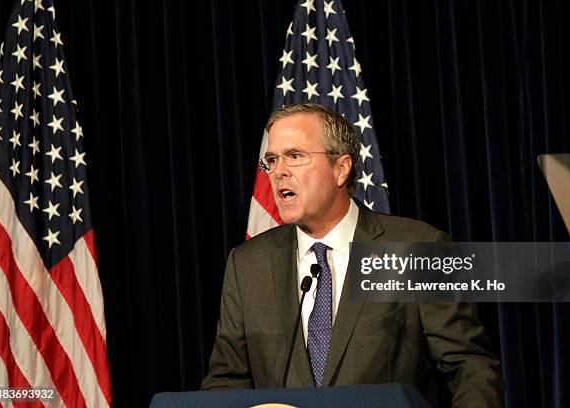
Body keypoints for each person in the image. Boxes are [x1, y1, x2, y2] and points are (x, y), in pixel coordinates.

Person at [201, 103, 504, 407]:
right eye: (271, 160)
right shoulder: (248, 264)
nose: (278, 171)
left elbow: (470, 367)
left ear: (341, 168)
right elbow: (227, 380)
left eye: (294, 156)